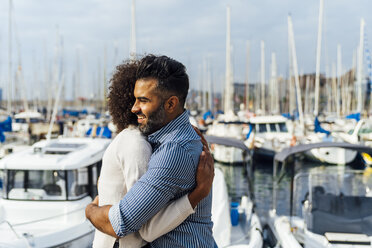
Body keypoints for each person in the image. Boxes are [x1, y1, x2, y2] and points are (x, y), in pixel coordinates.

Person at [86, 55, 215, 247]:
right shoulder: (172, 139)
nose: (134, 108)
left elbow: (122, 222)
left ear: (171, 104)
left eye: (143, 100)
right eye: (135, 99)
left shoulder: (174, 150)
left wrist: (90, 210)